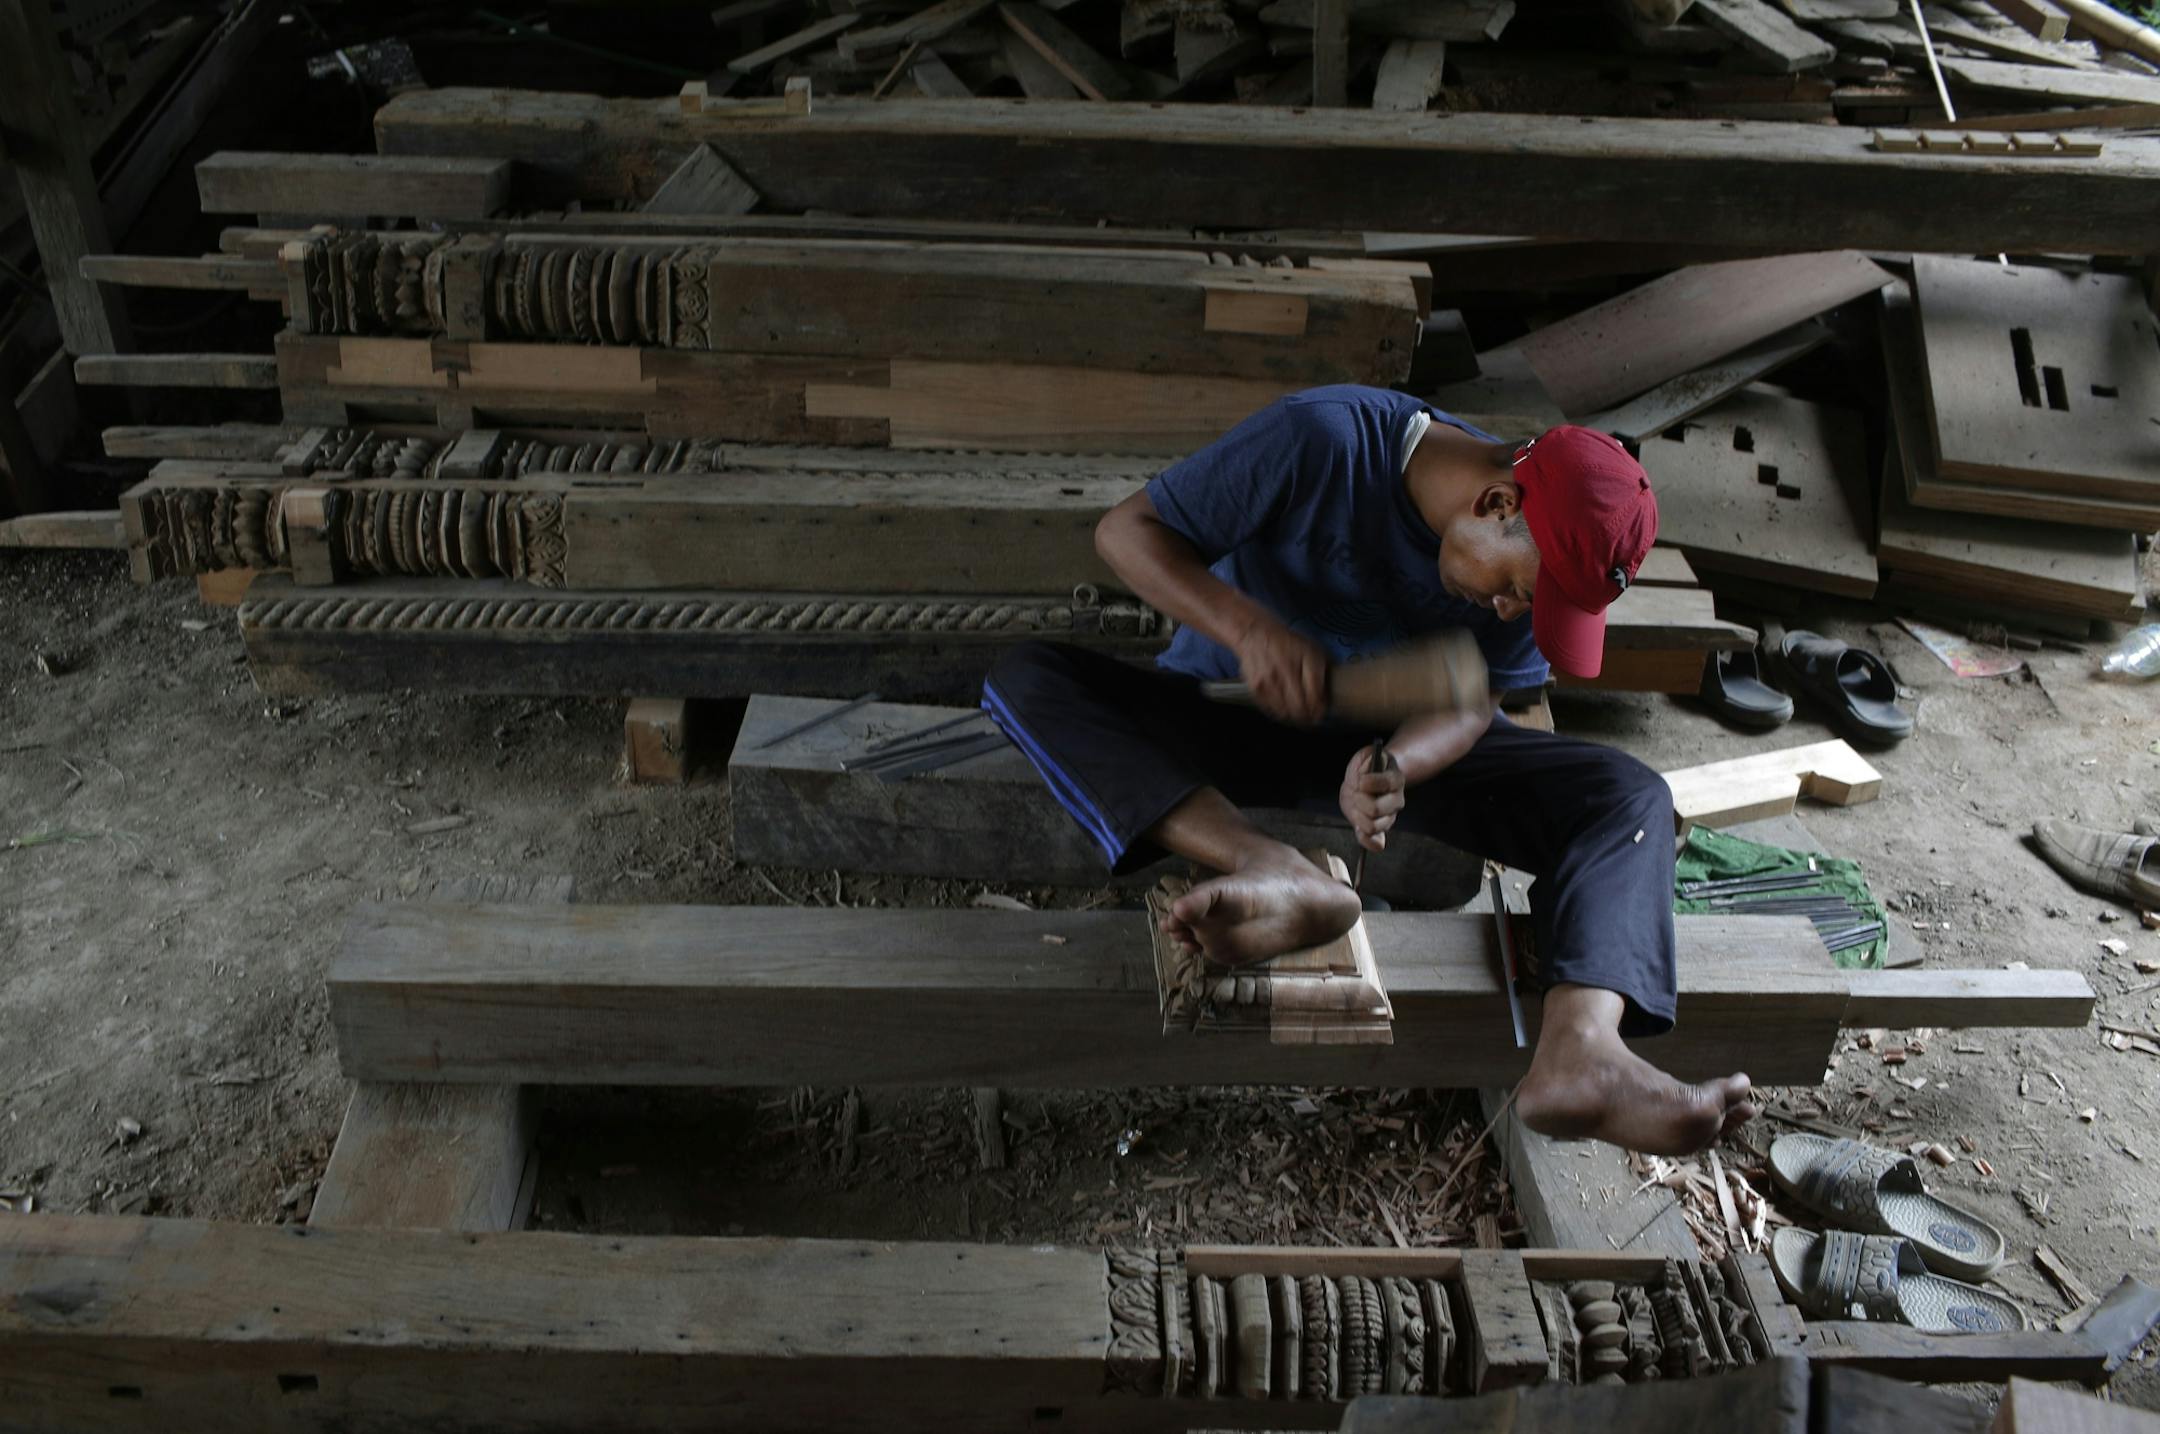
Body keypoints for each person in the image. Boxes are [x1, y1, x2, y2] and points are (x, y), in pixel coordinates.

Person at [981, 385, 1755, 1156]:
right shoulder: (1322, 440)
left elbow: (1472, 698)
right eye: (1520, 588)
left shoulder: (1525, 566)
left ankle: (1583, 1051)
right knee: (1029, 679)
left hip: (1375, 739)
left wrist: (1395, 765)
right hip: (1231, 712)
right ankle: (1272, 868)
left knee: (1629, 796)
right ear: (1493, 502)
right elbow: (1127, 532)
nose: (1514, 612)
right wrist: (1247, 631)